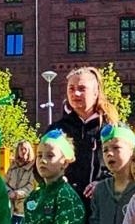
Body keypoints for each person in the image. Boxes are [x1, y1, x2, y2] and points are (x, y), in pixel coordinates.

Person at [49, 66, 121, 199]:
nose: (75, 93)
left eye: (82, 89)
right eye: (71, 88)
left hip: (103, 203)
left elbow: (126, 165)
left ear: (95, 92)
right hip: (65, 206)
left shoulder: (113, 129)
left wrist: (104, 183)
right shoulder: (56, 131)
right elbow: (40, 167)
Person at [5, 139, 36, 224]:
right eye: (21, 149)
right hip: (11, 208)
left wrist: (17, 194)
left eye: (25, 149)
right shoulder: (13, 166)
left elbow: (31, 186)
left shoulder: (33, 167)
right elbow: (5, 182)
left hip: (25, 207)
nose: (23, 151)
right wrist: (9, 192)